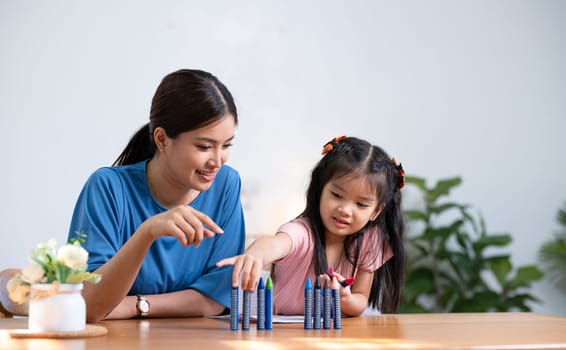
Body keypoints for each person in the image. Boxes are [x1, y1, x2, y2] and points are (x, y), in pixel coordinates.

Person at [67, 69, 246, 322]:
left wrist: (136, 305)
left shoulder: (227, 184)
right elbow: (89, 306)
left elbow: (217, 297)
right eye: (204, 147)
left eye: (226, 145)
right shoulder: (107, 188)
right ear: (162, 139)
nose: (217, 161)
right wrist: (146, 233)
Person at [217, 136, 405, 316]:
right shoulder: (303, 232)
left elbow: (360, 300)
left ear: (376, 211)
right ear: (320, 189)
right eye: (337, 195)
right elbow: (275, 244)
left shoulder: (369, 241)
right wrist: (255, 254)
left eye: (361, 204)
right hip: (289, 334)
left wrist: (345, 298)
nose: (345, 210)